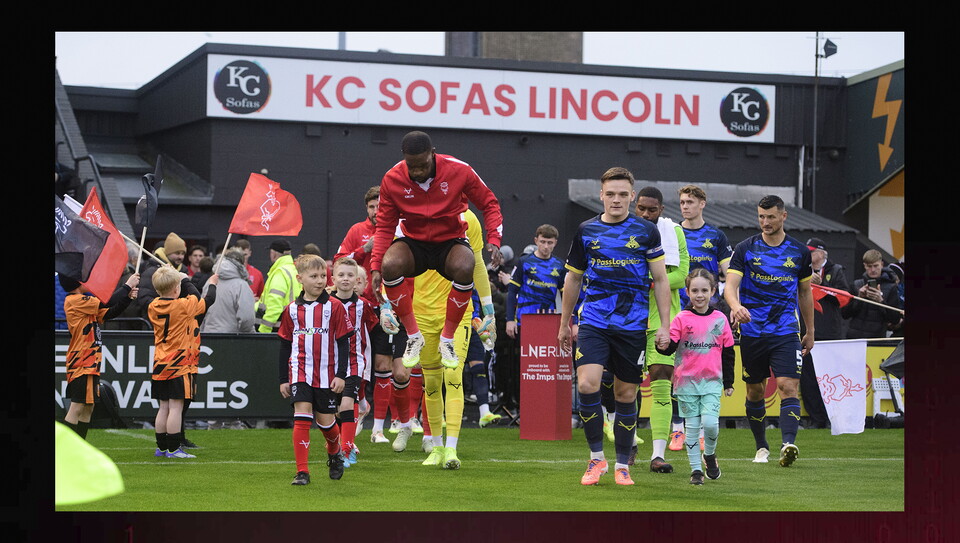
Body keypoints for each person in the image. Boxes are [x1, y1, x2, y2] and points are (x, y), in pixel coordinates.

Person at [558, 166, 672, 486]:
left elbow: (661, 279)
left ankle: (622, 464)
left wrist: (664, 325)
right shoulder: (586, 230)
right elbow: (574, 278)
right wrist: (565, 323)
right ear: (601, 195)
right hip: (593, 320)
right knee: (586, 385)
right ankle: (596, 460)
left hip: (633, 325)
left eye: (623, 194)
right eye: (611, 194)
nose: (616, 200)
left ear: (632, 196)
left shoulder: (647, 231)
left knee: (625, 395)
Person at [369, 130, 503, 372]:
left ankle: (447, 339)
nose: (417, 172)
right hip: (414, 243)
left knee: (466, 265)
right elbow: (385, 227)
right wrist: (375, 266)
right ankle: (413, 336)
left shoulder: (459, 170)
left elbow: (489, 203)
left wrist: (494, 237)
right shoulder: (392, 178)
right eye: (412, 166)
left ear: (433, 154)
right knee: (389, 265)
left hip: (449, 242)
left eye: (422, 165)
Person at [724, 194, 815, 467]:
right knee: (755, 391)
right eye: (761, 217)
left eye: (771, 217)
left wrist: (809, 330)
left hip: (786, 329)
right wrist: (735, 306)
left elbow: (805, 292)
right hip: (753, 330)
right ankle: (761, 446)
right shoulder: (744, 249)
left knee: (788, 386)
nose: (765, 222)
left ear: (783, 216)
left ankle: (788, 443)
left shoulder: (799, 252)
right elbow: (730, 286)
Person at [416, 208, 497, 469]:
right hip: (422, 312)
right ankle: (436, 446)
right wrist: (390, 304)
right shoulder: (413, 214)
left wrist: (489, 310)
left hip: (458, 311)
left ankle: (451, 449)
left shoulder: (469, 219)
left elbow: (479, 263)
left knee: (453, 377)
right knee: (430, 380)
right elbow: (395, 260)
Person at [277, 254, 354, 484]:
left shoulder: (335, 307)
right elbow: (284, 345)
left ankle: (334, 451)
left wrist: (341, 375)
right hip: (300, 372)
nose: (320, 281)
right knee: (301, 417)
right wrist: (283, 378)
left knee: (326, 423)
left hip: (327, 375)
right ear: (300, 278)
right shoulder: (291, 310)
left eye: (323, 275)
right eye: (314, 276)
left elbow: (343, 342)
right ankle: (303, 472)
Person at [656, 269, 735, 485]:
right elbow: (669, 348)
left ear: (713, 291)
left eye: (704, 290)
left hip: (711, 382)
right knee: (691, 428)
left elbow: (728, 352)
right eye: (695, 290)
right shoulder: (681, 318)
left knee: (710, 424)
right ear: (687, 292)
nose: (699, 295)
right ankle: (696, 471)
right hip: (686, 383)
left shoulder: (720, 319)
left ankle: (709, 455)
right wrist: (660, 344)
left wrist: (729, 382)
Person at [633, 186, 689, 472]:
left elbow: (681, 274)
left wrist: (650, 281)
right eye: (641, 208)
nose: (645, 214)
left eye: (651, 210)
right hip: (627, 318)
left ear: (661, 211)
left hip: (664, 319)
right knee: (626, 385)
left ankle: (657, 454)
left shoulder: (674, 232)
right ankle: (628, 441)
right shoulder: (624, 232)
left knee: (662, 381)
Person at [147, 266, 218, 458]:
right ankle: (173, 449)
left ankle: (161, 448)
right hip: (179, 364)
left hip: (160, 362)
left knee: (163, 407)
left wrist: (179, 280)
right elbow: (201, 297)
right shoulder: (183, 306)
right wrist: (193, 280)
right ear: (176, 289)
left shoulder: (152, 306)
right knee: (176, 407)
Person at [60, 272, 140, 439]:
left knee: (88, 406)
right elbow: (107, 301)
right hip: (81, 361)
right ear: (76, 283)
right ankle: (63, 450)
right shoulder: (75, 300)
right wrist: (127, 285)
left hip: (91, 362)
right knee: (77, 406)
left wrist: (127, 298)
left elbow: (109, 312)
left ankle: (80, 447)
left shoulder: (85, 303)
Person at [329, 257, 379, 468]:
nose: (346, 279)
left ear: (357, 280)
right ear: (333, 278)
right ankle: (336, 444)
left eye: (350, 275)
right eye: (341, 275)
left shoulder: (364, 305)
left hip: (354, 361)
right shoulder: (326, 303)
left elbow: (372, 329)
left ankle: (347, 449)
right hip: (329, 362)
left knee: (349, 405)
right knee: (334, 410)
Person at [800, 237, 850, 428]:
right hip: (807, 332)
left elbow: (844, 298)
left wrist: (822, 287)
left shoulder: (836, 271)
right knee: (808, 379)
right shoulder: (801, 271)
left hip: (830, 333)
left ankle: (833, 419)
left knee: (830, 379)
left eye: (812, 251)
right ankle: (816, 419)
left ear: (822, 253)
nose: (809, 255)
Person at [505, 224, 565, 340]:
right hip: (524, 319)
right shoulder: (524, 262)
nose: (546, 246)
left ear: (555, 243)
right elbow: (512, 292)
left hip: (549, 319)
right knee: (525, 357)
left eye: (550, 243)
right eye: (542, 242)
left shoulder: (560, 265)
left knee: (546, 356)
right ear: (536, 241)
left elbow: (566, 295)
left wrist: (568, 322)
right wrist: (510, 320)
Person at [333, 185, 381, 301]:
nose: (375, 212)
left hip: (391, 300)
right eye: (371, 207)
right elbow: (338, 262)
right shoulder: (357, 230)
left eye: (379, 207)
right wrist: (364, 249)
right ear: (366, 208)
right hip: (361, 299)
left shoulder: (397, 230)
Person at [842, 249, 902, 339]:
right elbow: (844, 314)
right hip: (854, 338)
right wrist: (859, 297)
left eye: (875, 266)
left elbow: (895, 319)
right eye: (869, 266)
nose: (873, 270)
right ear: (864, 266)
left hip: (876, 340)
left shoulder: (891, 287)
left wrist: (881, 301)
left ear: (881, 264)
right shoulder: (857, 284)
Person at [199, 248, 256, 333]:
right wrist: (245, 335)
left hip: (208, 336)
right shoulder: (241, 285)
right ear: (241, 264)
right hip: (231, 340)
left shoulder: (210, 282)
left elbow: (201, 311)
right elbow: (247, 318)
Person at [135, 232, 188, 319]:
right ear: (167, 253)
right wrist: (166, 307)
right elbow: (144, 298)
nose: (180, 257)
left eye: (183, 253)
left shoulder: (183, 272)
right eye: (177, 253)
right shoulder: (152, 272)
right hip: (157, 321)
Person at [256, 239, 299, 333]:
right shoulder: (293, 270)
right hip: (291, 325)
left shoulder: (280, 273)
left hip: (276, 328)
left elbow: (275, 306)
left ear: (274, 254)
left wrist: (264, 330)